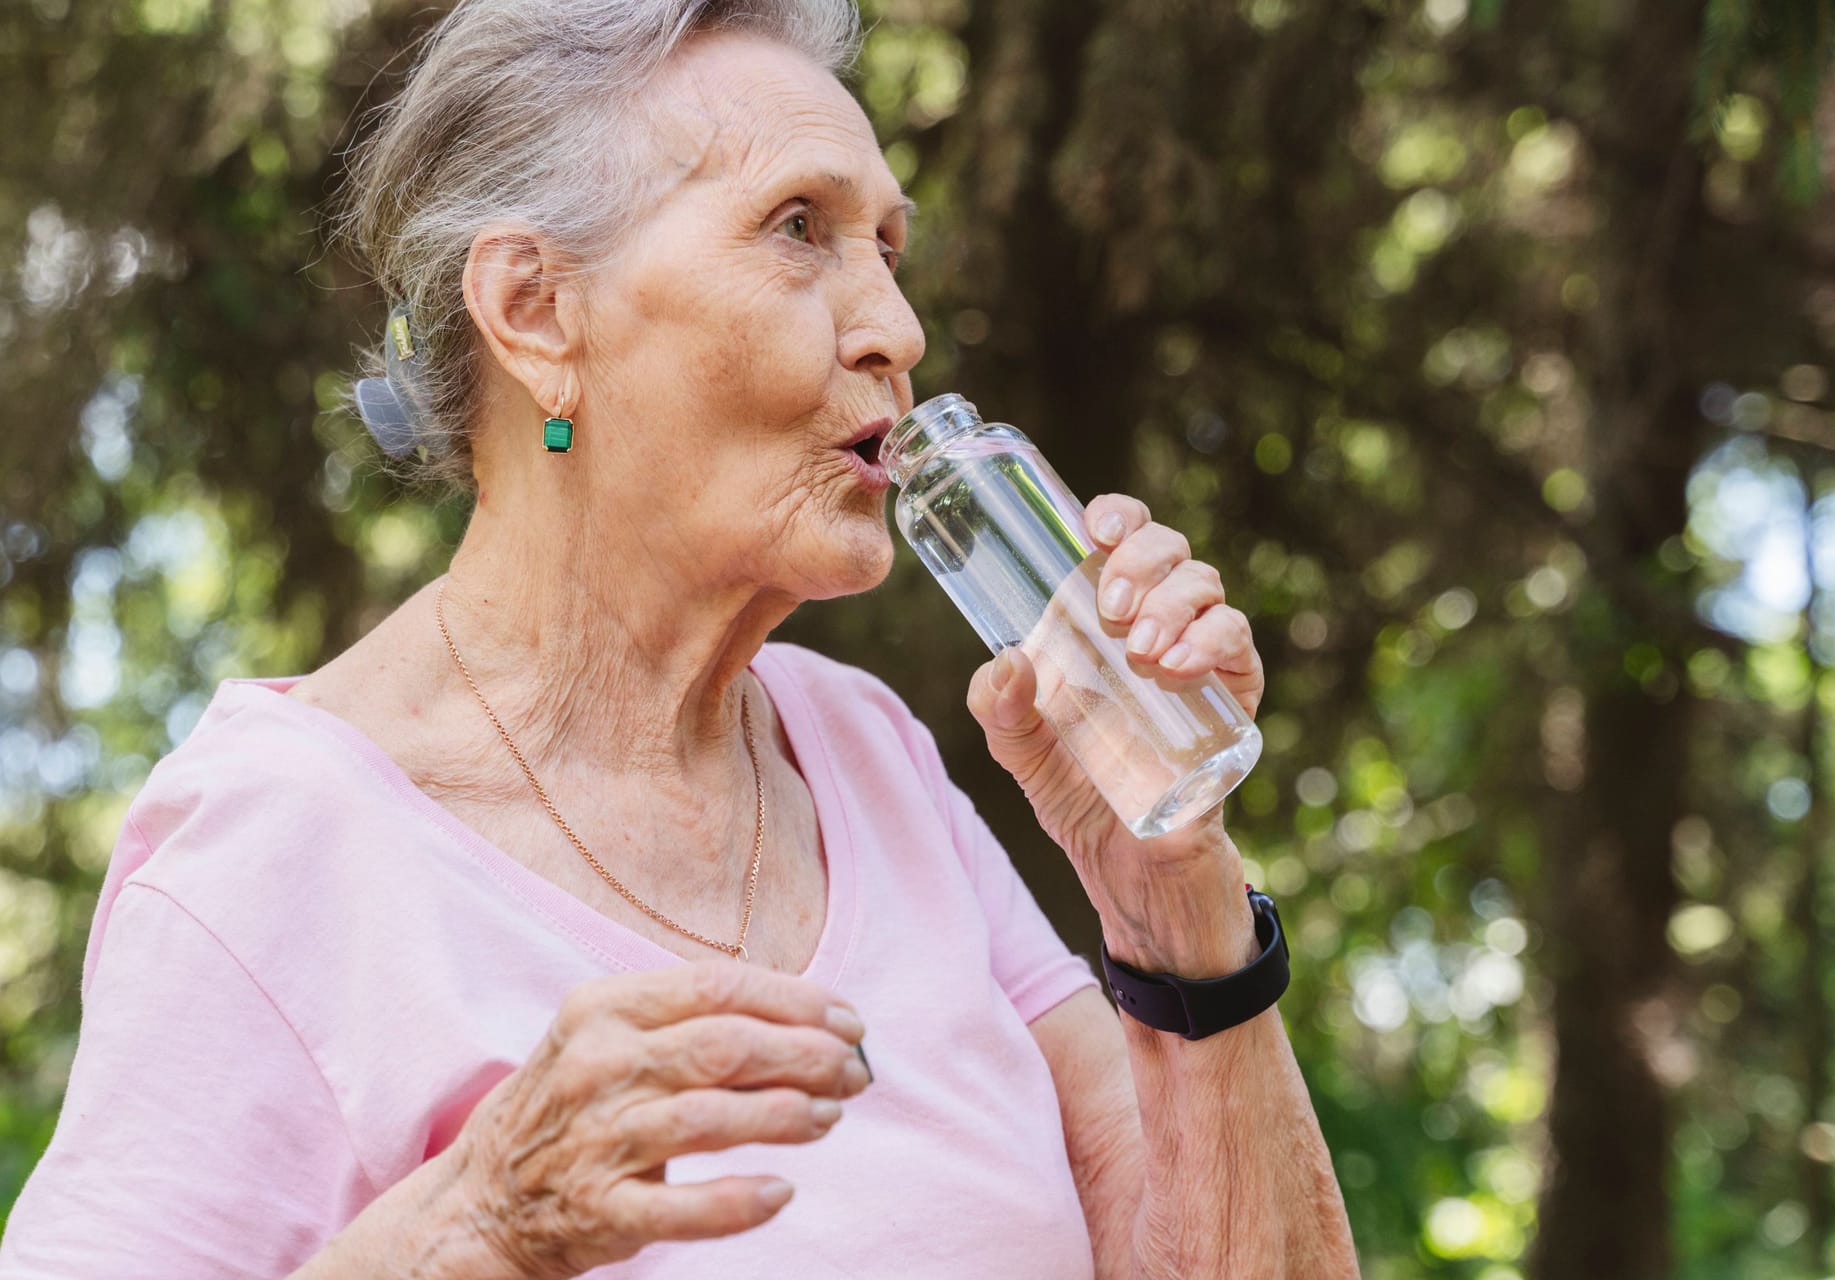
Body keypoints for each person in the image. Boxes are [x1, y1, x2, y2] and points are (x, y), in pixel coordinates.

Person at [0, 2, 1358, 1276]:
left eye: (887, 246)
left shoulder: (866, 757)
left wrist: (1170, 892)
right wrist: (469, 1228)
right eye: (795, 228)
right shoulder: (280, 838)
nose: (897, 326)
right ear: (534, 308)